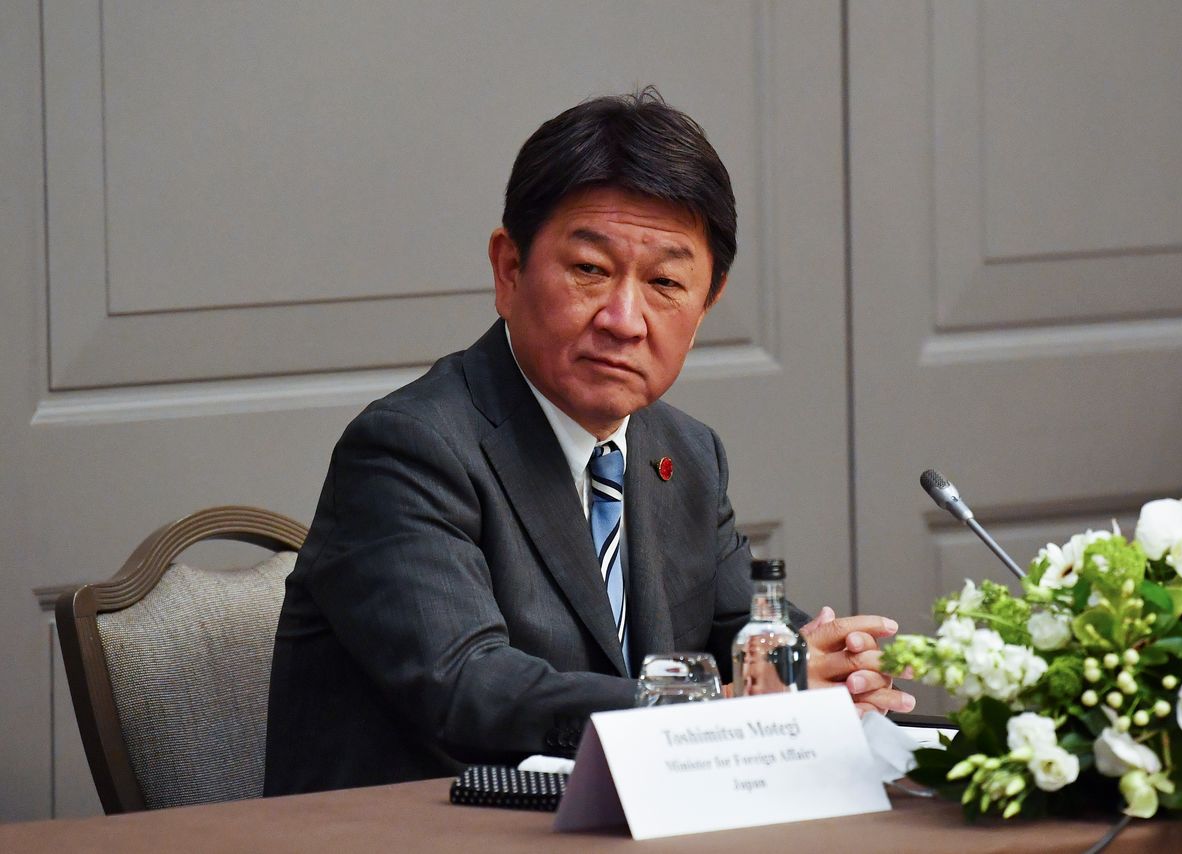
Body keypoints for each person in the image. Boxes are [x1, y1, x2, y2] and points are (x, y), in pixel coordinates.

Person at [264, 89, 913, 796]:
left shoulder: (686, 454)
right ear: (509, 270)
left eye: (665, 282)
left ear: (706, 304)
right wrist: (719, 708)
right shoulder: (409, 449)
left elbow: (746, 634)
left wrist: (833, 668)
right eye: (591, 271)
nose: (624, 320)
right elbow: (470, 687)